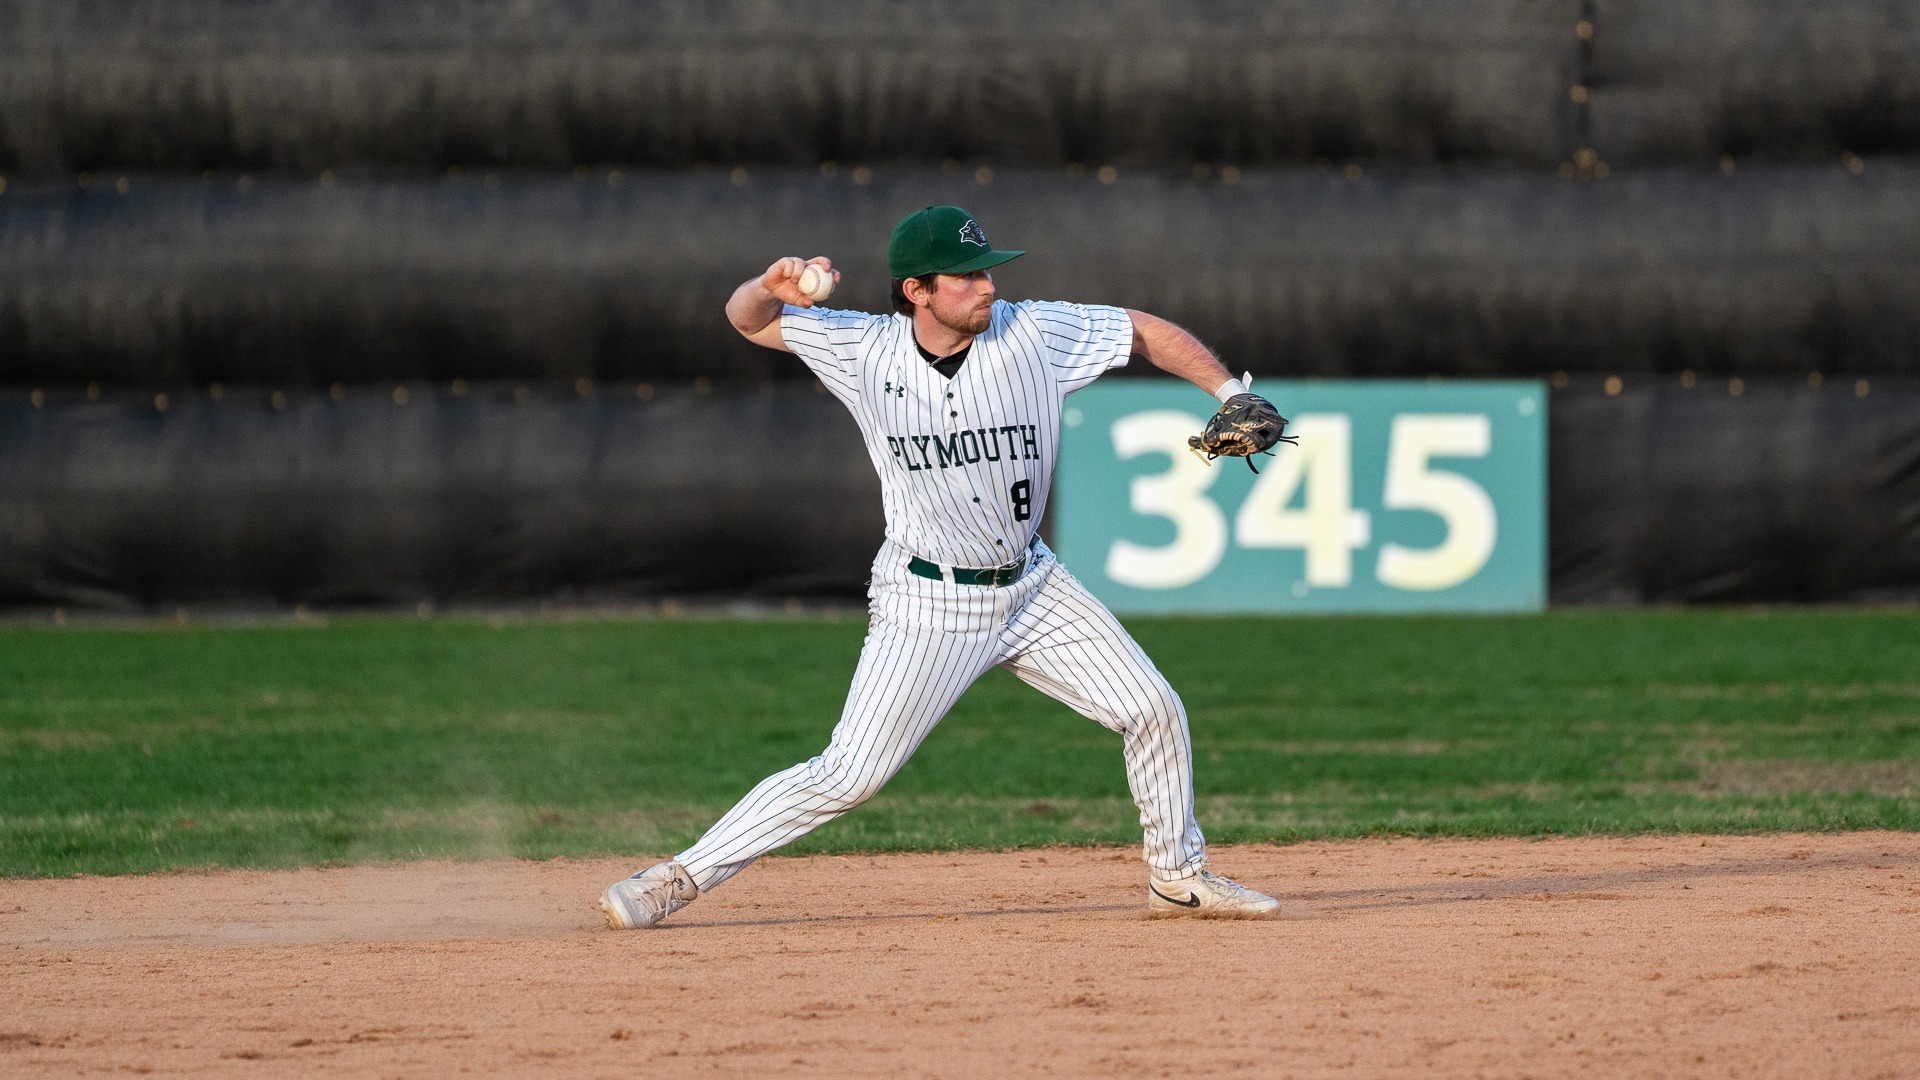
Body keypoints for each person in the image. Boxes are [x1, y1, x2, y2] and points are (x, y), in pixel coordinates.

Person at [600, 205, 1282, 927]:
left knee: (1153, 709)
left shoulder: (1032, 333)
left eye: (987, 270)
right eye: (964, 277)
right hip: (930, 601)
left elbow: (1143, 329)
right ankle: (672, 880)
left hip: (1034, 584)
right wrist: (769, 285)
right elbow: (746, 318)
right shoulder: (863, 348)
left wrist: (1229, 393)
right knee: (849, 776)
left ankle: (1176, 876)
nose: (987, 287)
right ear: (916, 290)